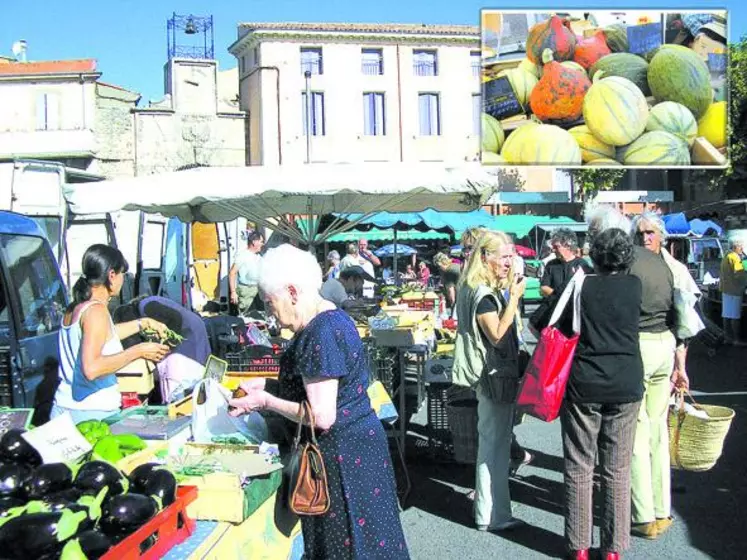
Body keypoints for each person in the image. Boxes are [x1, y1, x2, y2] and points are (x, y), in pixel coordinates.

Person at [228, 244, 409, 559]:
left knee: (351, 547)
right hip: (356, 451)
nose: (271, 314)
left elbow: (322, 415)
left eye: (270, 303)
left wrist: (266, 401)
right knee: (372, 544)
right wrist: (268, 383)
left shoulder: (319, 333)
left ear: (293, 292)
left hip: (342, 461)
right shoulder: (331, 317)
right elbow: (320, 387)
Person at [561, 228, 644, 560]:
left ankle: (579, 546)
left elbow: (546, 322)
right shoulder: (635, 286)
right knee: (617, 469)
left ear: (594, 254)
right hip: (626, 381)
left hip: (584, 382)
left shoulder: (582, 285)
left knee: (579, 466)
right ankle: (613, 549)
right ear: (626, 257)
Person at [451, 231, 526, 532]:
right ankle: (491, 515)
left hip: (488, 376)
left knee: (493, 444)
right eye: (504, 256)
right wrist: (515, 299)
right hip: (493, 375)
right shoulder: (481, 293)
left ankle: (491, 512)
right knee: (495, 446)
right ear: (486, 257)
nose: (510, 262)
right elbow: (496, 335)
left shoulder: (471, 286)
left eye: (511, 255)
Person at [51, 245, 169, 423]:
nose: (123, 279)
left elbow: (104, 336)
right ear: (111, 275)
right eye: (122, 273)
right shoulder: (96, 311)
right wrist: (138, 351)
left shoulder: (76, 306)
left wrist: (142, 323)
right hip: (90, 413)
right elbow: (92, 369)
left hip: (64, 409)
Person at [627, 211, 689, 540]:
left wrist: (681, 366)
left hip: (649, 346)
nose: (645, 238)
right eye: (640, 234)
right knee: (653, 431)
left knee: (642, 432)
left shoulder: (638, 267)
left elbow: (685, 323)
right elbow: (686, 323)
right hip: (662, 347)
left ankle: (645, 514)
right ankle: (658, 510)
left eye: (650, 233)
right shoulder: (672, 268)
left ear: (661, 236)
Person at [114, 295, 212, 403]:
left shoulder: (146, 306)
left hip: (189, 336)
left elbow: (175, 319)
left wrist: (164, 345)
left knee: (182, 377)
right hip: (192, 332)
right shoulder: (149, 302)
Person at [541, 228, 594, 298]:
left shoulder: (582, 264)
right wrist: (559, 297)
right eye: (553, 247)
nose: (553, 250)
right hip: (555, 304)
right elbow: (544, 287)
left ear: (568, 246)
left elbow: (587, 289)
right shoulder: (551, 264)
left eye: (556, 247)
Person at [719, 236, 747, 345]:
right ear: (736, 246)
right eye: (741, 246)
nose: (742, 248)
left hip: (725, 289)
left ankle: (727, 338)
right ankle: (736, 340)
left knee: (726, 315)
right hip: (735, 290)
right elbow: (739, 273)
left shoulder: (726, 255)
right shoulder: (735, 257)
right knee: (735, 316)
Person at [229, 230, 264, 315]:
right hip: (246, 291)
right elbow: (232, 273)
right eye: (261, 242)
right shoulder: (243, 255)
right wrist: (233, 292)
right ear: (254, 242)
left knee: (259, 315)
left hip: (257, 289)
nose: (263, 244)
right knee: (245, 315)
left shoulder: (259, 256)